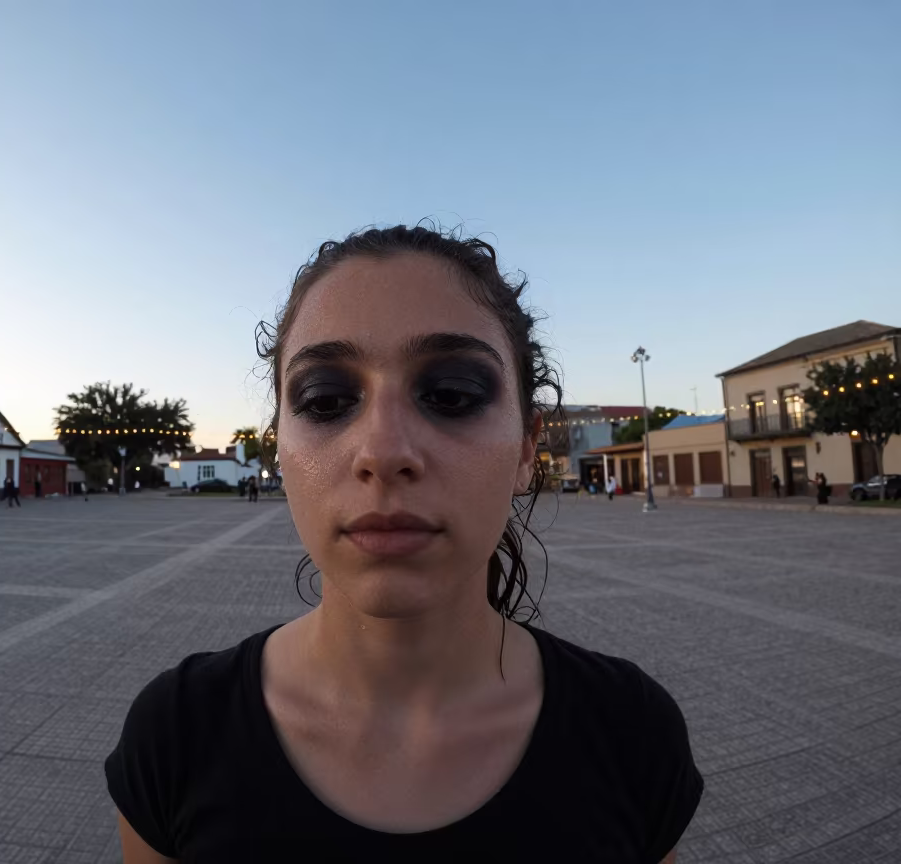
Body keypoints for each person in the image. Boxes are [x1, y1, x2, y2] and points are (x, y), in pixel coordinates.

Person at [105, 225, 702, 861]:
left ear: (530, 448)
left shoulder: (632, 731)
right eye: (327, 399)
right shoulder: (176, 732)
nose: (384, 452)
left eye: (451, 394)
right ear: (277, 444)